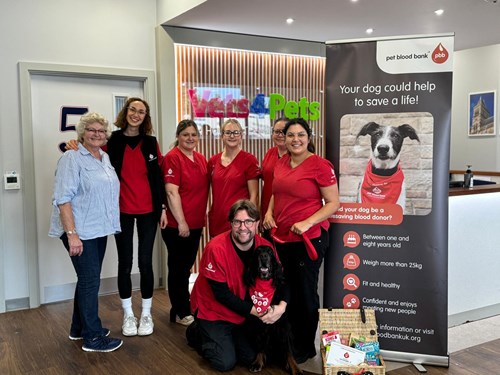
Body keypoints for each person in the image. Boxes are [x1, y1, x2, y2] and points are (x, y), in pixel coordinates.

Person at [66, 97, 167, 337]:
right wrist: (74, 144)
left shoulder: (152, 143)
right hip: (120, 211)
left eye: (141, 112)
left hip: (148, 211)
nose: (136, 114)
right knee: (125, 262)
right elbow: (91, 152)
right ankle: (128, 314)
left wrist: (163, 208)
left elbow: (158, 177)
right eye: (133, 109)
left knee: (145, 262)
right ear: (126, 112)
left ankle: (146, 313)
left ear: (145, 117)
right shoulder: (112, 141)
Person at [263, 117, 340, 363]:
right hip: (282, 239)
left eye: (300, 135)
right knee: (285, 291)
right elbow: (277, 192)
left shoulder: (320, 165)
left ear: (309, 138)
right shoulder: (282, 162)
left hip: (310, 240)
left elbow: (333, 203)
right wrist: (268, 213)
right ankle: (287, 345)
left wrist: (308, 222)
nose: (295, 139)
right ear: (284, 138)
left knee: (305, 293)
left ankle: (305, 348)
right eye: (291, 135)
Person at [49, 112, 123, 352]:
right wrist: (72, 234)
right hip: (80, 232)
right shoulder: (72, 158)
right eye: (91, 130)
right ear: (82, 133)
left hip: (98, 229)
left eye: (101, 131)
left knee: (87, 281)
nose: (97, 134)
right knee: (90, 282)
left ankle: (78, 328)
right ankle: (93, 337)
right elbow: (63, 199)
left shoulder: (104, 157)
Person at [187, 200, 287, 372]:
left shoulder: (265, 247)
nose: (243, 227)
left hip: (241, 312)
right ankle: (197, 332)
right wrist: (257, 312)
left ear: (256, 224)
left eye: (248, 221)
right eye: (237, 222)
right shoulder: (215, 249)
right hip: (213, 311)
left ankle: (225, 338)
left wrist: (281, 307)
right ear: (231, 223)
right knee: (225, 362)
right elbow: (222, 295)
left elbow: (281, 279)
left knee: (250, 357)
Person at [161, 119, 209, 326]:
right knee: (179, 268)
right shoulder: (173, 158)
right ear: (178, 136)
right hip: (177, 225)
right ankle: (180, 310)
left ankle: (182, 306)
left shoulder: (200, 158)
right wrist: (181, 222)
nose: (190, 138)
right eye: (185, 134)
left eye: (194, 134)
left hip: (196, 222)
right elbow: (171, 192)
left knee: (186, 267)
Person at [207, 119, 260, 238]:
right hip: (218, 220)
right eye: (228, 132)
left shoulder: (249, 160)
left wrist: (250, 221)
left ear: (241, 136)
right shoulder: (213, 162)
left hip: (240, 221)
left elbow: (254, 195)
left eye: (236, 132)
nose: (232, 136)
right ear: (222, 136)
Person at [260, 117, 288, 232]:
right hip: (267, 212)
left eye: (284, 132)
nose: (280, 135)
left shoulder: (297, 157)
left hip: (286, 212)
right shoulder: (270, 153)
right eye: (277, 132)